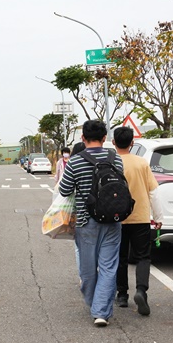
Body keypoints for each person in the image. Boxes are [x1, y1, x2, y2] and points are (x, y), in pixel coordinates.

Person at [57, 120, 122, 327]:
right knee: (109, 267)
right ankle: (101, 311)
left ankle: (95, 304)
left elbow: (64, 190)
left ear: (83, 138)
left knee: (88, 268)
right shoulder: (115, 158)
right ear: (104, 138)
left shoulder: (75, 162)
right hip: (112, 219)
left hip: (86, 222)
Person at [112, 126, 163, 316]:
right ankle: (141, 291)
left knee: (120, 257)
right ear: (132, 143)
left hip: (117, 218)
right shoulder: (141, 163)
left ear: (114, 143)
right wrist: (158, 217)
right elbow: (154, 193)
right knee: (142, 257)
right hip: (140, 217)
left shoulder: (113, 162)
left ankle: (122, 295)